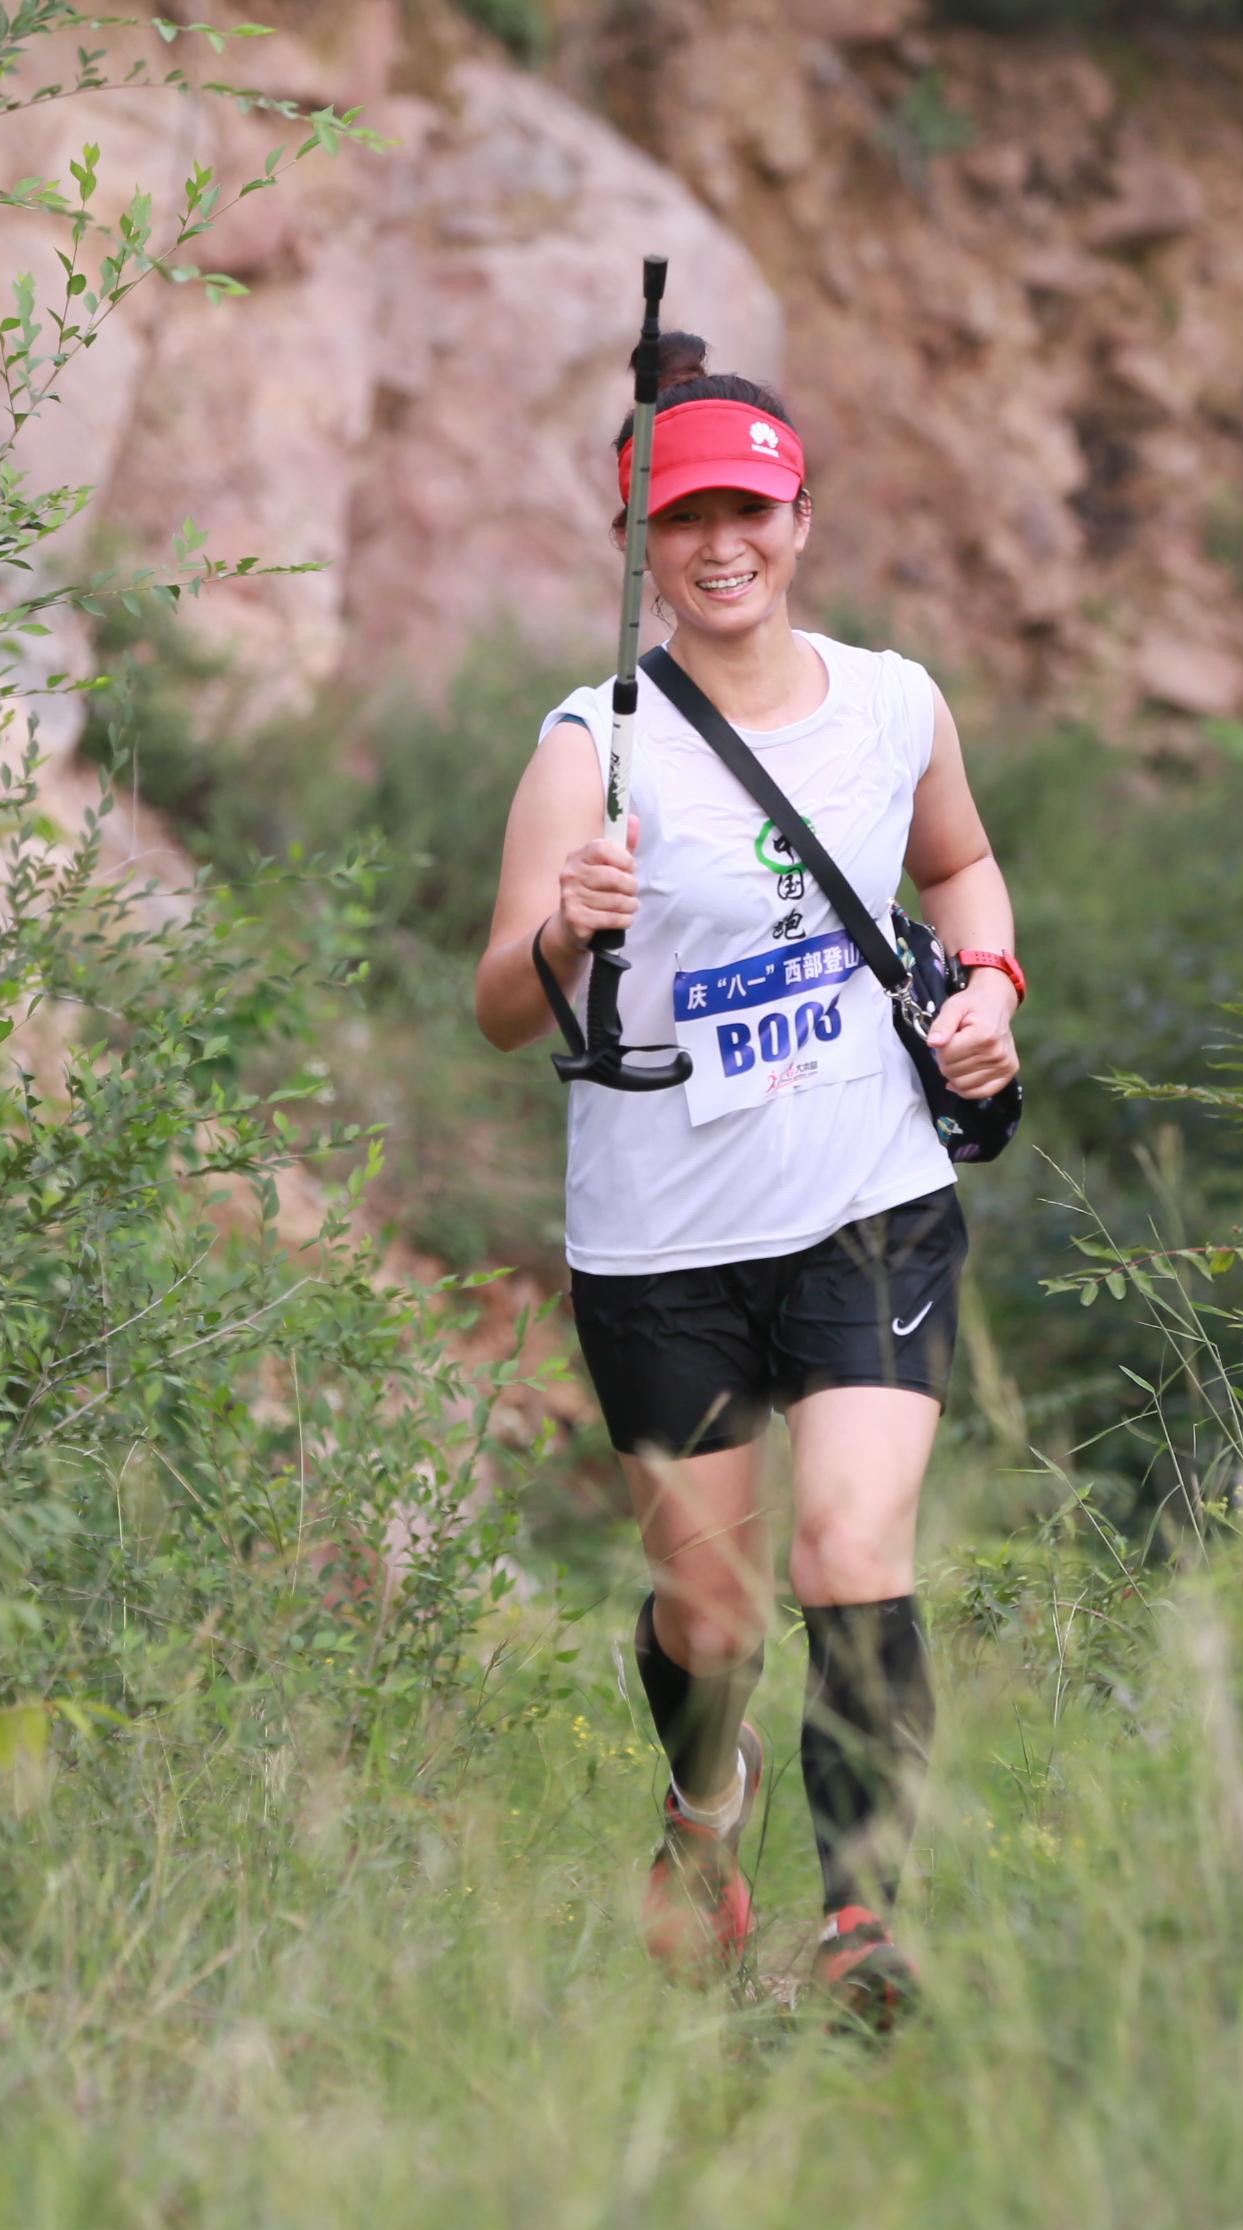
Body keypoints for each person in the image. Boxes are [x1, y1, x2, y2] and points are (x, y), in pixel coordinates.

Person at [472, 337, 1027, 2032]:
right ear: (638, 539)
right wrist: (568, 927)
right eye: (685, 517)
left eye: (751, 513)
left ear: (801, 522)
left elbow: (960, 864)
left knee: (852, 1546)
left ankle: (861, 1922)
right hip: (662, 1240)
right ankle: (704, 1810)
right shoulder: (593, 743)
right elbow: (500, 1005)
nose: (722, 545)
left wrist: (990, 989)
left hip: (868, 1202)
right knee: (710, 1618)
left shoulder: (895, 703)